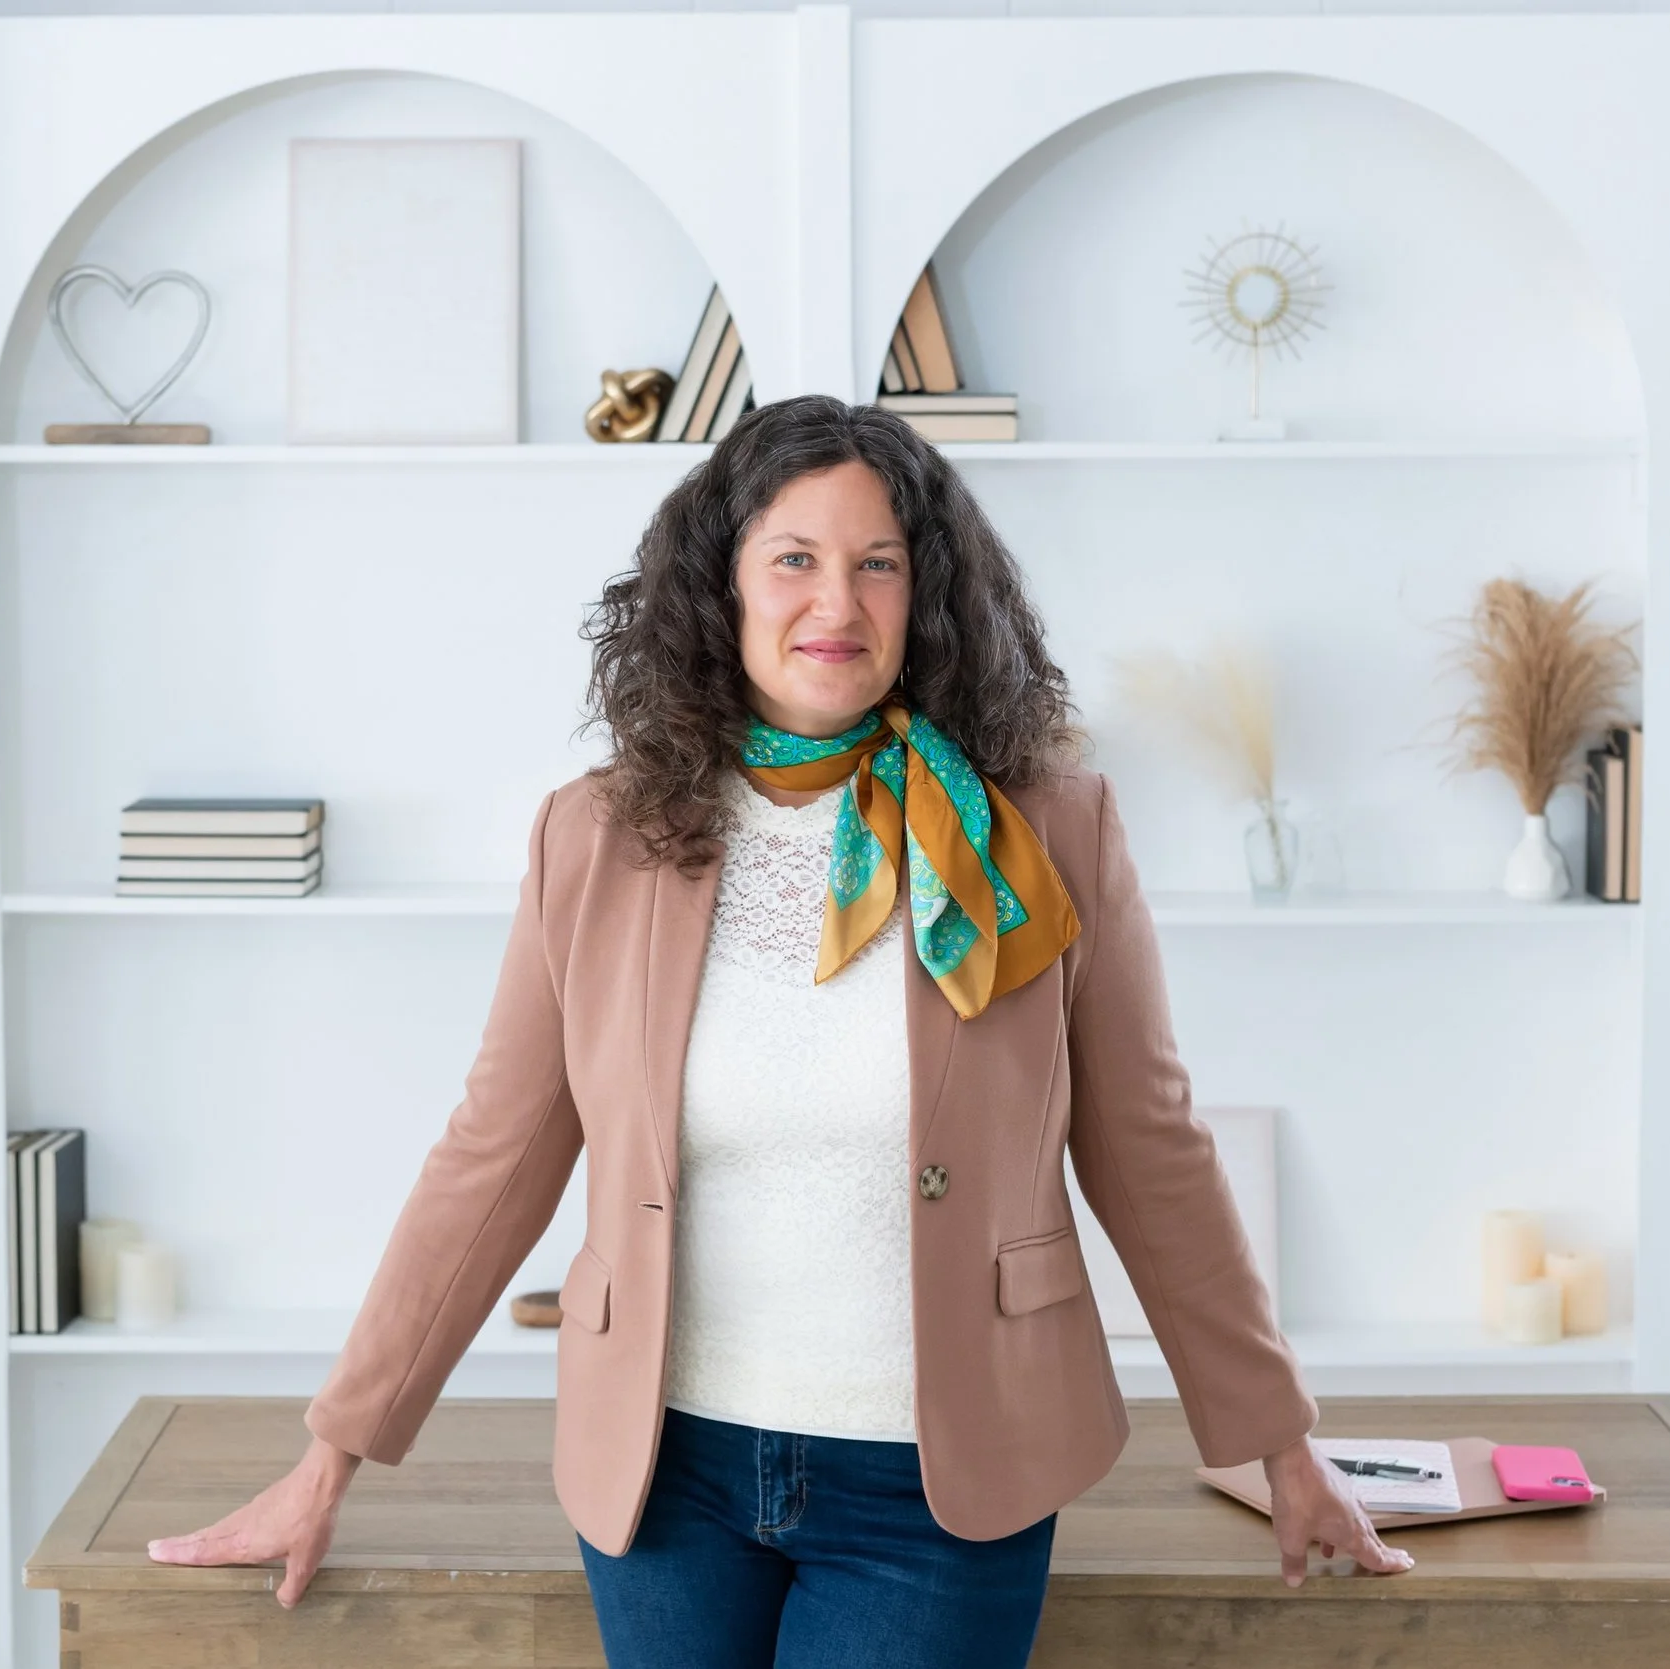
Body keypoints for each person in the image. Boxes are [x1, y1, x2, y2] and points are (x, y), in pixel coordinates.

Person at [145, 393, 1412, 1665]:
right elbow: (493, 1154)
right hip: (663, 1476)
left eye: (878, 565)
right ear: (723, 586)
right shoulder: (594, 836)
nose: (837, 605)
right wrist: (334, 1451)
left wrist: (1277, 1438)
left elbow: (1149, 1147)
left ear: (929, 598)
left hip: (941, 1487)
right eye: (794, 560)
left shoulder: (1048, 830)